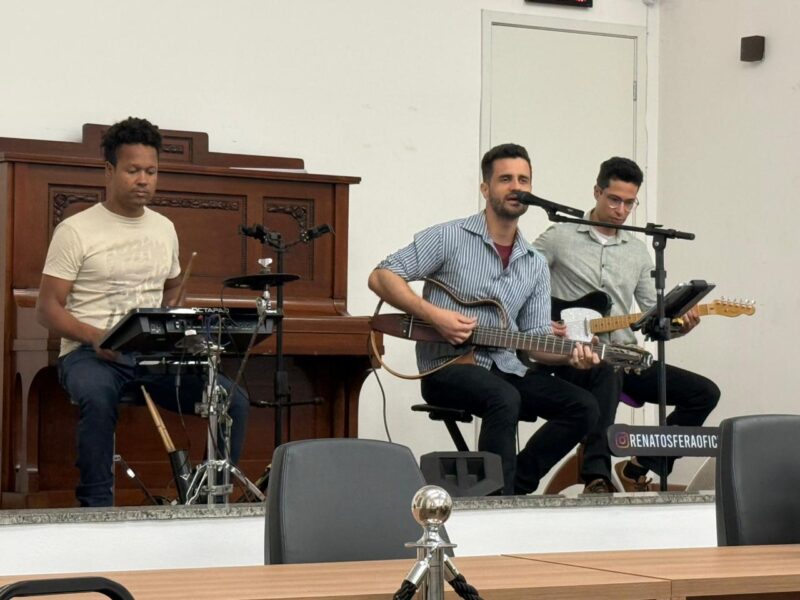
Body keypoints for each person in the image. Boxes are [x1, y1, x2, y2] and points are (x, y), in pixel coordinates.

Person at [368, 142, 608, 495]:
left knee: (584, 406)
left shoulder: (534, 263)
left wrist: (571, 354)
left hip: (506, 366)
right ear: (485, 188)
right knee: (504, 397)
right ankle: (496, 501)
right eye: (505, 179)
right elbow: (381, 276)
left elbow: (536, 341)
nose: (516, 187)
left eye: (523, 180)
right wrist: (435, 316)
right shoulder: (449, 237)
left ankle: (513, 487)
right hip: (445, 367)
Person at [36, 116, 248, 507]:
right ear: (109, 170)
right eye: (133, 170)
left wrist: (173, 312)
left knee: (231, 400)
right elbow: (47, 308)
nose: (143, 180)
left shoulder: (164, 228)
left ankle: (210, 501)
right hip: (90, 353)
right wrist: (95, 336)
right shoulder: (76, 230)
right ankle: (96, 507)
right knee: (97, 395)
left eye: (151, 171)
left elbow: (172, 289)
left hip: (151, 354)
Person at [533, 156, 720, 492]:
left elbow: (652, 316)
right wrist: (541, 320)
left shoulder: (637, 251)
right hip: (574, 356)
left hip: (625, 355)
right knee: (607, 371)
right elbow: (521, 280)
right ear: (597, 192)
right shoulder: (559, 236)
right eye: (614, 200)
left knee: (704, 393)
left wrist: (680, 325)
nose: (621, 210)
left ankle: (641, 464)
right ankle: (597, 476)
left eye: (629, 203)